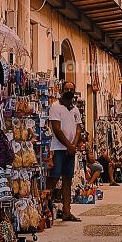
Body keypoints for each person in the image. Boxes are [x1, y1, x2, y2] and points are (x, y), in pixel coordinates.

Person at [49, 81, 82, 221]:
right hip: (58, 148)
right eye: (66, 89)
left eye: (71, 89)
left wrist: (73, 145)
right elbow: (56, 128)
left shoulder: (75, 109)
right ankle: (43, 207)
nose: (69, 91)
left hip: (70, 149)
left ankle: (67, 211)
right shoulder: (55, 107)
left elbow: (79, 128)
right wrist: (69, 145)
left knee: (68, 179)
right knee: (54, 177)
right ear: (62, 90)